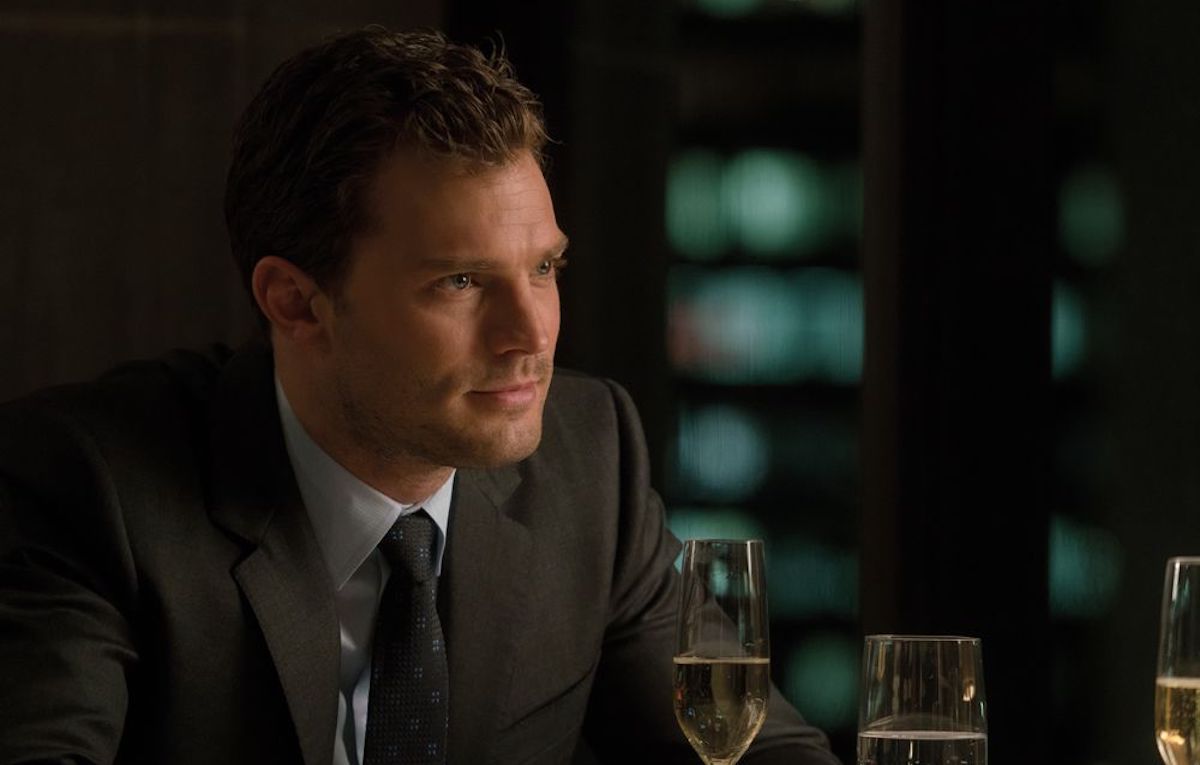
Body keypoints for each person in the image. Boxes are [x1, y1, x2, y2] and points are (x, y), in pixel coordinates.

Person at [0, 27, 841, 765]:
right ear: (296, 303)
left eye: (543, 267)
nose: (531, 333)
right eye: (461, 281)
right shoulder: (90, 485)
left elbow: (756, 750)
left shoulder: (591, 457)